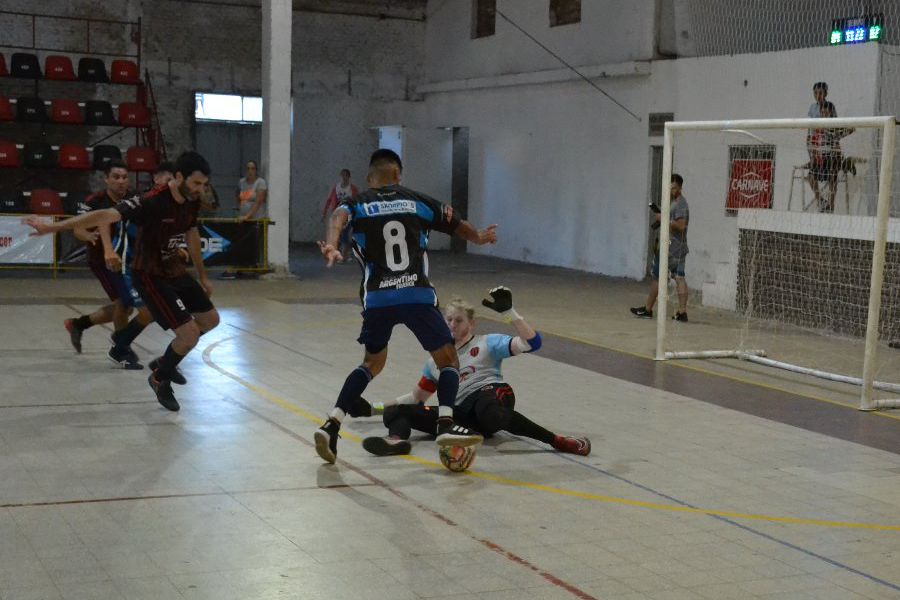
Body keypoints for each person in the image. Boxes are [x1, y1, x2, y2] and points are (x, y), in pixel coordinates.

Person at [314, 148, 498, 464]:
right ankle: (444, 422)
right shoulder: (417, 201)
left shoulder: (358, 203)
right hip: (416, 294)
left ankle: (332, 423)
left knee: (372, 363)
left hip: (378, 299)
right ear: (398, 175)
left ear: (370, 177)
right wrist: (479, 237)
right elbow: (456, 222)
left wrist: (331, 243)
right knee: (448, 361)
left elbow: (337, 217)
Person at [25, 151, 220, 412]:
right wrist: (50, 228)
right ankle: (159, 376)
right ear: (178, 177)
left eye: (203, 185)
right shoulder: (150, 201)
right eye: (196, 183)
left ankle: (165, 360)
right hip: (149, 275)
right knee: (187, 334)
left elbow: (191, 234)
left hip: (174, 271)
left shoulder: (191, 200)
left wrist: (203, 275)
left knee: (211, 320)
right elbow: (104, 216)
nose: (200, 189)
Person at [356, 289, 591, 457]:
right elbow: (416, 398)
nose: (452, 325)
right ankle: (396, 441)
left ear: (472, 324)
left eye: (459, 320)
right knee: (397, 412)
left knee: (488, 411)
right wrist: (372, 408)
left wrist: (511, 314)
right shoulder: (435, 361)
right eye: (448, 320)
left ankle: (558, 441)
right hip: (462, 413)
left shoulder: (488, 343)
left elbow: (533, 343)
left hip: (491, 393)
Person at [63, 160, 142, 368]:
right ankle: (121, 349)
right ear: (106, 179)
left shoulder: (134, 199)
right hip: (103, 260)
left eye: (124, 177)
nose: (121, 181)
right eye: (116, 177)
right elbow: (78, 229)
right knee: (123, 304)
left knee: (125, 306)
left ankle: (79, 324)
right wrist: (90, 236)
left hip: (127, 259)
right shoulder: (95, 201)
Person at [631, 173, 689, 321]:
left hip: (671, 247)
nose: (672, 191)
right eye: (670, 188)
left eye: (674, 188)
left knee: (658, 277)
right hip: (676, 247)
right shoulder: (672, 202)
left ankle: (648, 309)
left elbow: (681, 226)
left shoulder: (680, 204)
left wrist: (665, 219)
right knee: (679, 277)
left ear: (680, 188)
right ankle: (682, 312)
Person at [222, 160, 267, 279]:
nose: (250, 171)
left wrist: (248, 216)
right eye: (248, 168)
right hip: (242, 219)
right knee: (241, 243)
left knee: (254, 243)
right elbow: (237, 194)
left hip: (255, 219)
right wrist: (239, 208)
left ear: (256, 170)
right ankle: (240, 266)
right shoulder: (241, 182)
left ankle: (254, 267)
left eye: (252, 168)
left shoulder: (260, 183)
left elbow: (258, 202)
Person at [807, 99, 853, 213]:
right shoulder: (817, 128)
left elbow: (849, 130)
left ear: (831, 114)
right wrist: (812, 156)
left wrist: (842, 130)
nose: (823, 115)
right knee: (811, 177)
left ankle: (831, 206)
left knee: (833, 176)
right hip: (820, 159)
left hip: (832, 159)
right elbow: (812, 143)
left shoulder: (834, 127)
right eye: (822, 113)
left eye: (826, 114)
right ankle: (821, 201)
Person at [322, 169, 358, 260]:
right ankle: (344, 253)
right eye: (342, 176)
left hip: (348, 213)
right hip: (338, 213)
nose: (344, 178)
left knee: (345, 232)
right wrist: (324, 212)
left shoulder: (352, 188)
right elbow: (329, 200)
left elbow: (358, 201)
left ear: (349, 177)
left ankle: (344, 254)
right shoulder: (337, 188)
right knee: (340, 233)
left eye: (346, 176)